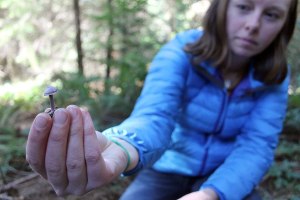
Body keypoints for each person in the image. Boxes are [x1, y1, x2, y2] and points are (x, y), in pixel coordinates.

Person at [26, 0, 298, 199]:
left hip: (228, 172)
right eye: (244, 7)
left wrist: (211, 194)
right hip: (169, 166)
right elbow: (155, 115)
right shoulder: (181, 52)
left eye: (272, 14)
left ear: (284, 25)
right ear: (223, 7)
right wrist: (123, 147)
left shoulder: (274, 76)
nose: (253, 24)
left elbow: (257, 145)